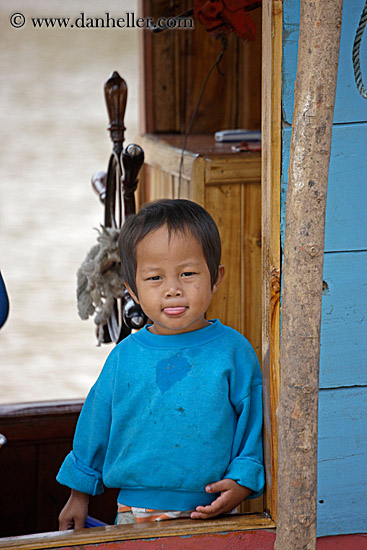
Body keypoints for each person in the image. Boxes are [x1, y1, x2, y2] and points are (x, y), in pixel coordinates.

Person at [57, 198, 264, 529]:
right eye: (155, 278)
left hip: (214, 509)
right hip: (135, 512)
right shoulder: (124, 358)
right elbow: (94, 427)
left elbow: (252, 425)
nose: (173, 290)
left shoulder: (234, 352)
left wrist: (243, 481)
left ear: (216, 276)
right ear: (132, 290)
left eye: (188, 273)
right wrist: (78, 496)